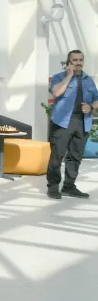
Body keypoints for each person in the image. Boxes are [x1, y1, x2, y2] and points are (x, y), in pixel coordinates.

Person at [46, 50, 98, 200]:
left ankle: (69, 186)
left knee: (75, 157)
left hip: (82, 122)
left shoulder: (88, 80)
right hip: (62, 123)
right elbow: (56, 93)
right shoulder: (59, 77)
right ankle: (53, 187)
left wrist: (91, 107)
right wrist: (69, 76)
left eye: (80, 60)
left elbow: (97, 99)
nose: (78, 63)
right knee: (57, 156)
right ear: (69, 62)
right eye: (75, 60)